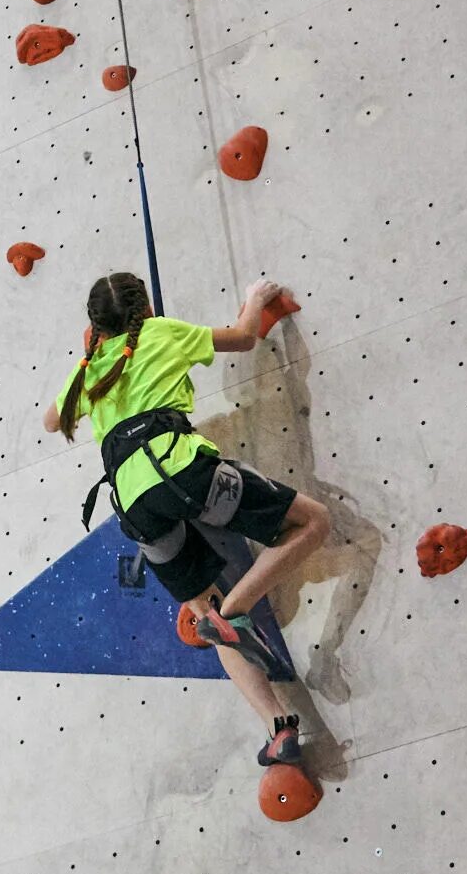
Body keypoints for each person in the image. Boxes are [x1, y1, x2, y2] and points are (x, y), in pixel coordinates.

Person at [43, 271, 330, 766]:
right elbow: (242, 337)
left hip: (135, 507)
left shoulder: (89, 372)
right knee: (314, 522)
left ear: (96, 329)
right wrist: (254, 299)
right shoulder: (161, 331)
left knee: (205, 612)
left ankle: (277, 728)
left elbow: (53, 421)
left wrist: (87, 359)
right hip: (183, 472)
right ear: (146, 310)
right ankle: (235, 610)